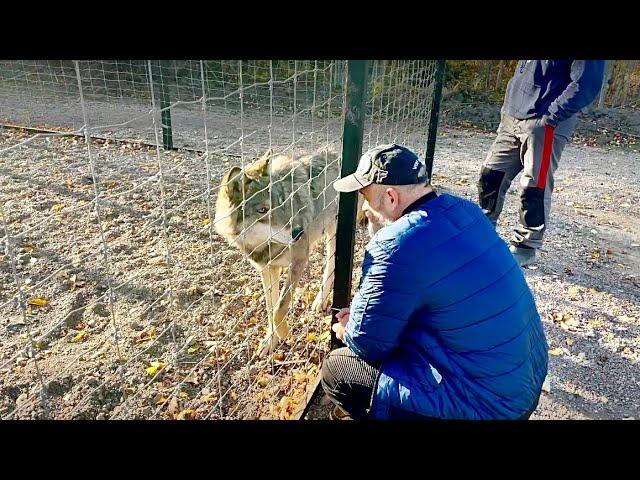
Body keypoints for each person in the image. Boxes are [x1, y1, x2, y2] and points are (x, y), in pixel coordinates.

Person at [321, 143, 548, 420]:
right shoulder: (466, 211)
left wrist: (349, 330)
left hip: (485, 407)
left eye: (366, 197)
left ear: (391, 197)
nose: (365, 207)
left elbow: (369, 344)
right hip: (524, 382)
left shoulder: (395, 244)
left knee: (339, 369)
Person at [478, 60, 605, 266]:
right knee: (491, 174)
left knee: (534, 186)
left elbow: (587, 83)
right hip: (513, 115)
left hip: (545, 122)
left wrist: (552, 116)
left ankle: (526, 246)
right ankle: (482, 234)